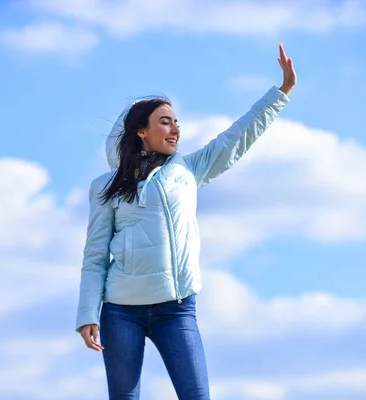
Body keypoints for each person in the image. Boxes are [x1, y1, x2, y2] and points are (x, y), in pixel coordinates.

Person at [75, 43, 297, 400]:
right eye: (165, 121)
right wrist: (88, 313)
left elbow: (237, 137)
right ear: (140, 131)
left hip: (176, 310)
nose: (175, 128)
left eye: (177, 122)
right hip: (120, 312)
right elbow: (95, 256)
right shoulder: (106, 186)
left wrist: (281, 92)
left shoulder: (189, 169)